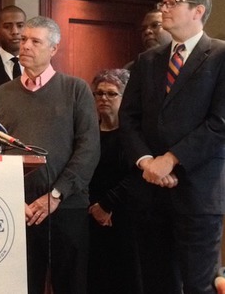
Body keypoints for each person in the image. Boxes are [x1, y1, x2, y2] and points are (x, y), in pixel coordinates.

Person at [119, 0, 225, 294]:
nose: (163, 9)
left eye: (172, 3)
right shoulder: (148, 60)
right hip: (149, 190)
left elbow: (220, 122)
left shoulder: (220, 55)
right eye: (163, 3)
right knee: (155, 283)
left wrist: (171, 160)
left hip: (198, 192)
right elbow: (128, 117)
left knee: (199, 286)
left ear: (198, 11)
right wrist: (148, 162)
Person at [0, 16, 100, 294]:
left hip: (66, 206)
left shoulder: (76, 89)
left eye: (35, 41)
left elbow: (89, 148)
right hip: (16, 209)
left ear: (54, 48)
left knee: (70, 285)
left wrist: (55, 195)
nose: (25, 45)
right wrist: (12, 198)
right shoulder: (1, 95)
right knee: (20, 286)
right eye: (23, 39)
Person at [87, 68, 141, 294]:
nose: (103, 99)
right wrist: (95, 208)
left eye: (111, 94)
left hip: (126, 220)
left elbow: (138, 175)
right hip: (91, 219)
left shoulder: (134, 136)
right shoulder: (88, 134)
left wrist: (107, 205)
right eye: (99, 93)